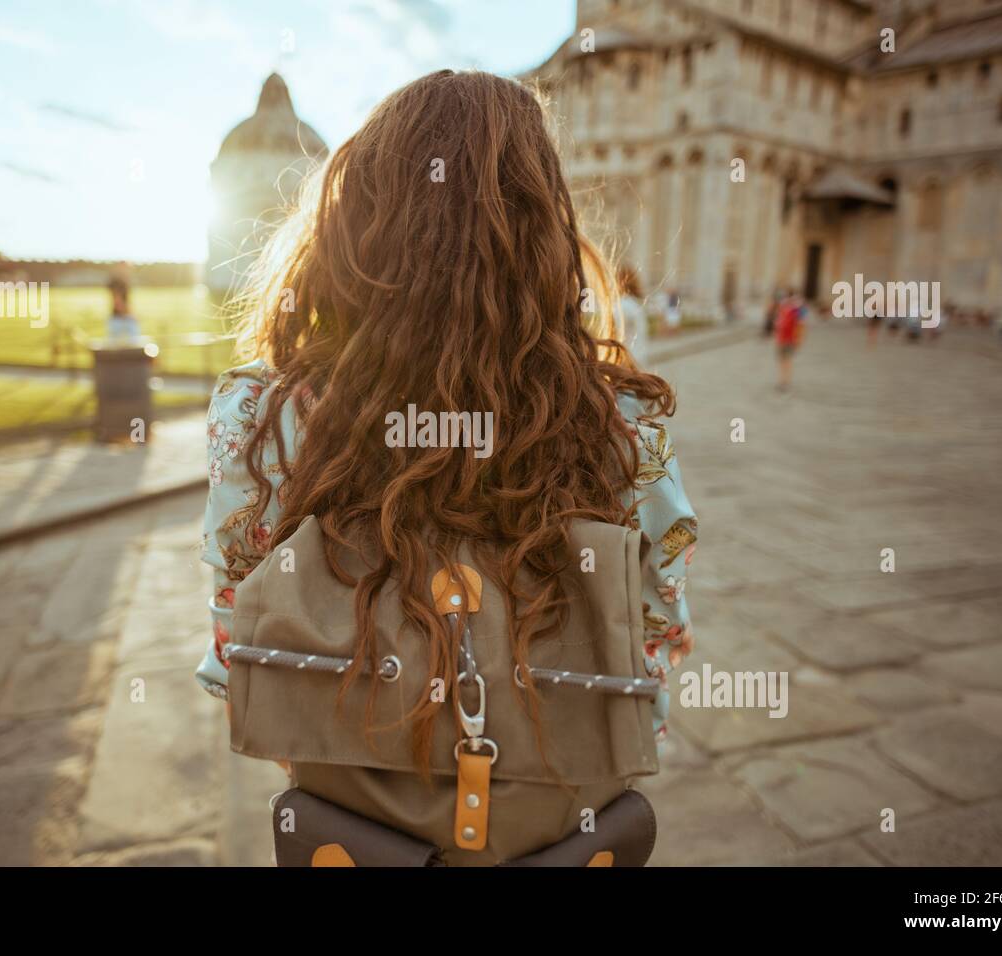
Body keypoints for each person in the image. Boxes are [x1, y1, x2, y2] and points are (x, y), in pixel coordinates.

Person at [193, 70, 697, 867]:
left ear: (356, 215)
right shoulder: (624, 422)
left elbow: (237, 650)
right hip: (564, 832)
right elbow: (658, 642)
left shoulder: (260, 414)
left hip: (351, 835)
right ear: (543, 226)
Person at [774, 289, 806, 391]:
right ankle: (782, 380)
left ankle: (786, 381)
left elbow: (801, 325)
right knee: (782, 360)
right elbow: (779, 323)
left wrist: (799, 339)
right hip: (782, 339)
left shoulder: (797, 311)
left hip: (790, 339)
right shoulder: (783, 308)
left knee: (787, 361)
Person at [615, 264, 648, 362]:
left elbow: (614, 335)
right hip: (639, 357)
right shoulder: (634, 304)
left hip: (625, 360)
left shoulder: (622, 305)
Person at [106, 276, 140, 340]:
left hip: (123, 318)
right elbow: (118, 304)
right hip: (119, 319)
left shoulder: (131, 321)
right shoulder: (119, 285)